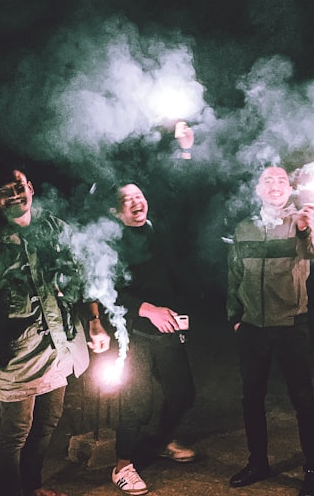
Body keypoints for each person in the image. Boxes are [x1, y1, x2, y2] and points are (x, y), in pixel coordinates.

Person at [0, 163, 111, 496]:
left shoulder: (55, 229)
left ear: (31, 188)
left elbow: (81, 277)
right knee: (15, 434)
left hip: (60, 346)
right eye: (5, 191)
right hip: (17, 357)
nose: (14, 195)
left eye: (18, 187)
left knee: (47, 424)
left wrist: (95, 320)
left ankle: (32, 487)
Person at [226, 165, 314, 496]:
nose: (275, 185)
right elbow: (234, 274)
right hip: (253, 326)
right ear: (258, 189)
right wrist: (236, 318)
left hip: (291, 325)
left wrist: (304, 228)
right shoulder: (244, 228)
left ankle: (313, 471)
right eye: (268, 180)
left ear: (290, 189)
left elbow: (313, 250)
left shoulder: (299, 222)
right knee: (252, 399)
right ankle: (258, 462)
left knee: (303, 399)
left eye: (281, 180)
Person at [109, 183, 197, 496]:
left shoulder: (159, 232)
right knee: (136, 403)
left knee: (184, 393)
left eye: (139, 196)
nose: (135, 202)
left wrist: (185, 152)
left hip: (168, 328)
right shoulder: (112, 242)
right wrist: (148, 310)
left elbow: (185, 195)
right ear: (116, 211)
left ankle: (160, 441)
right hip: (133, 332)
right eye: (126, 200)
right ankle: (122, 465)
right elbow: (108, 290)